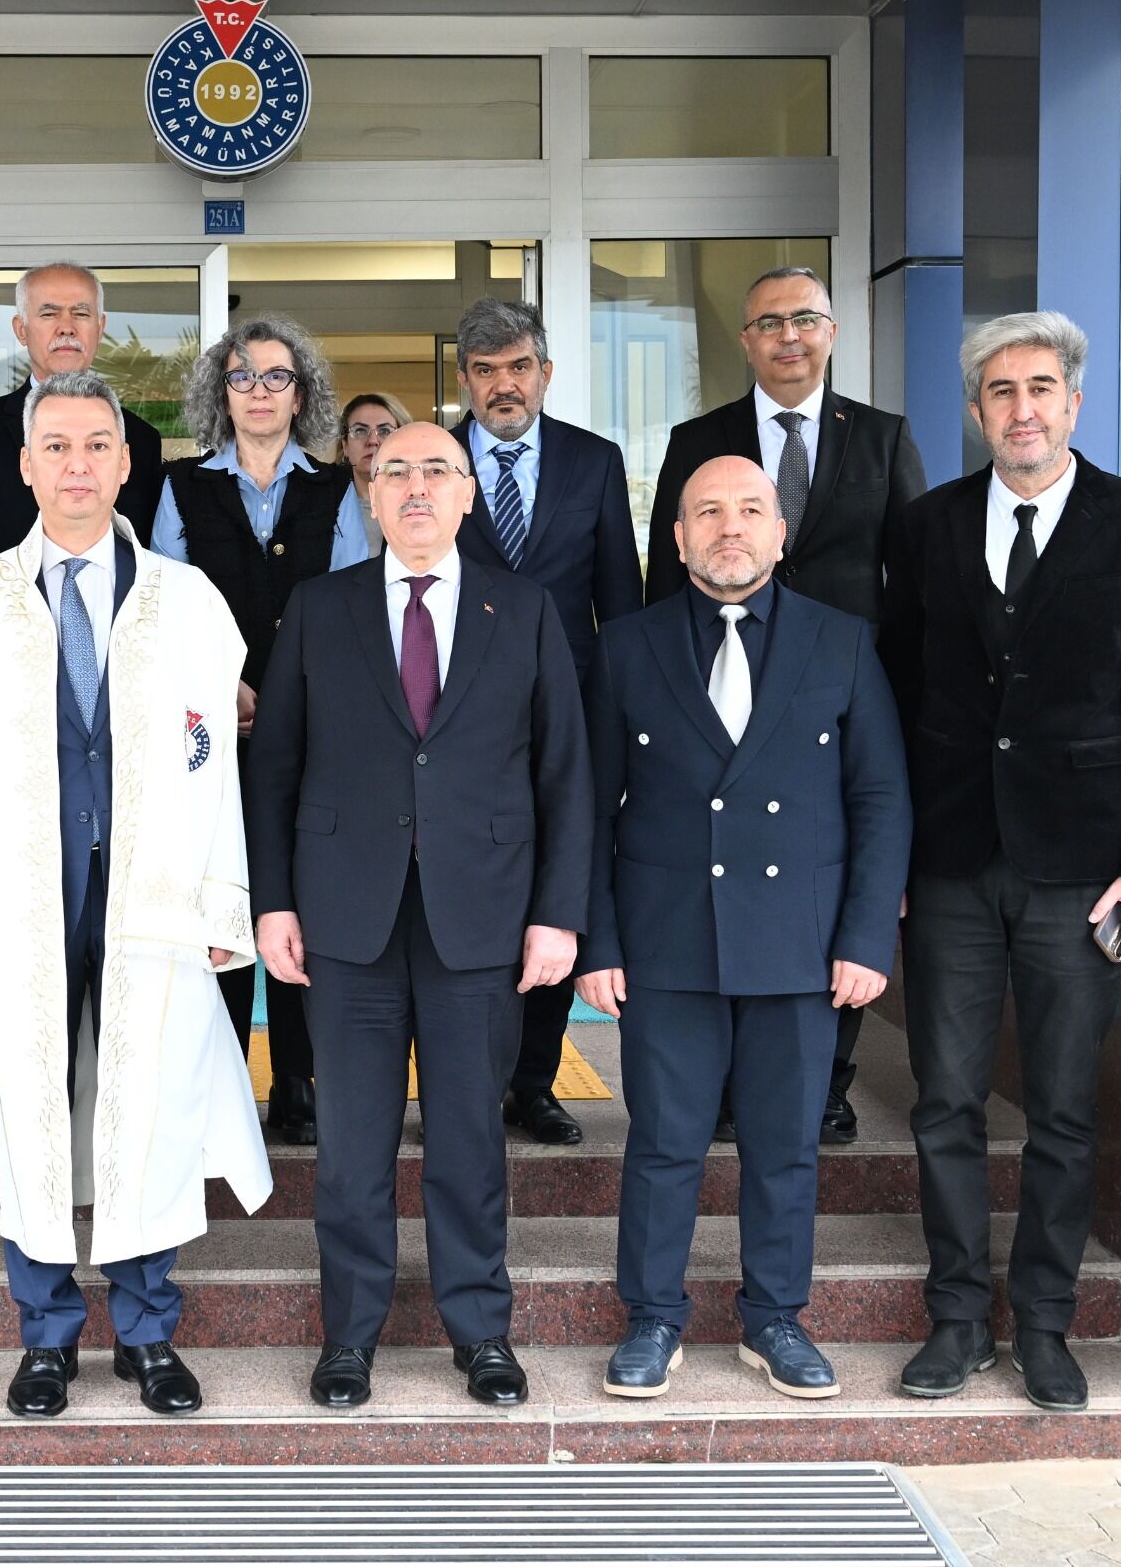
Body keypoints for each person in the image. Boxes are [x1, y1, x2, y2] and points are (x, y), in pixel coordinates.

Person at [0, 369, 270, 1421]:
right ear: (25, 465)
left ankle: (148, 1333)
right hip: (21, 891)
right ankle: (47, 1336)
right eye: (55, 446)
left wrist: (219, 896)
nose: (76, 465)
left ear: (125, 462)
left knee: (150, 1101)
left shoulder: (186, 600)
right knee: (33, 1104)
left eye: (97, 445)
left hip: (151, 888)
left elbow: (212, 758)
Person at [880, 311, 1121, 1413]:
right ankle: (959, 1318)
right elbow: (898, 696)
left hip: (1084, 868)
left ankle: (1047, 1325)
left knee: (1062, 1108)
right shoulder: (925, 526)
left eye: (1041, 388)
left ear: (1073, 402)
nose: (1023, 409)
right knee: (944, 1102)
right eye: (1001, 391)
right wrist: (893, 856)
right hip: (951, 860)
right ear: (976, 411)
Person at [249, 422, 592, 1412]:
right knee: (351, 1148)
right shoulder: (319, 608)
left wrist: (557, 914)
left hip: (480, 917)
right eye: (393, 469)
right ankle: (348, 1337)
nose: (414, 486)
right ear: (369, 492)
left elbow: (564, 771)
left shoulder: (523, 609)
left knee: (469, 1142)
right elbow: (273, 767)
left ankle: (480, 1330)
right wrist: (272, 899)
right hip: (343, 918)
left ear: (468, 493)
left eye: (437, 469)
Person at [576, 455, 911, 1404]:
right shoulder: (626, 647)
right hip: (666, 943)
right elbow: (588, 809)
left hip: (799, 946)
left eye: (751, 509)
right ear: (678, 537)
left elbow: (881, 799)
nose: (731, 526)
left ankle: (776, 1319)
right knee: (663, 1143)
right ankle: (652, 1318)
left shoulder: (841, 642)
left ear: (780, 532)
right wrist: (597, 942)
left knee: (786, 1146)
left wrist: (865, 940)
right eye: (709, 511)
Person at [647, 264, 927, 1147]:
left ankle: (827, 1082)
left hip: (836, 702)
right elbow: (663, 579)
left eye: (805, 318)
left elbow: (914, 587)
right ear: (746, 341)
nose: (789, 335)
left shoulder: (881, 438)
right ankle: (728, 1083)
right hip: (719, 692)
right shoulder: (698, 439)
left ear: (832, 332)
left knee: (824, 877)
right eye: (769, 322)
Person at [153, 316, 370, 1146]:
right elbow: (164, 604)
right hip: (207, 734)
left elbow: (352, 609)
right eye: (241, 377)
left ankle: (297, 1080)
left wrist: (285, 694)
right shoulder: (180, 487)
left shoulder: (336, 489)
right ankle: (221, 1079)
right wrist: (223, 684)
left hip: (310, 732)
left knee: (298, 894)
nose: (258, 392)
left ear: (300, 394)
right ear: (222, 393)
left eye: (276, 377)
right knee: (219, 897)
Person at [446, 297, 640, 1148]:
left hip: (573, 718)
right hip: (459, 720)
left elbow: (620, 602)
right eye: (486, 370)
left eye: (519, 367)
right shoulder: (433, 460)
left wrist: (627, 716)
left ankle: (534, 1083)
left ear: (546, 373)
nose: (504, 385)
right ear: (465, 378)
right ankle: (471, 1080)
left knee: (561, 888)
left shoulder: (595, 462)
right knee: (471, 898)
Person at [0, 263, 166, 590]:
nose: (66, 328)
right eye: (49, 313)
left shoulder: (141, 438)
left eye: (81, 314)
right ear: (21, 329)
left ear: (100, 327)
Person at [339, 390, 410, 523]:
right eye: (360, 431)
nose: (372, 441)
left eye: (385, 431)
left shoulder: (422, 503)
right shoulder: (322, 509)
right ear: (345, 446)